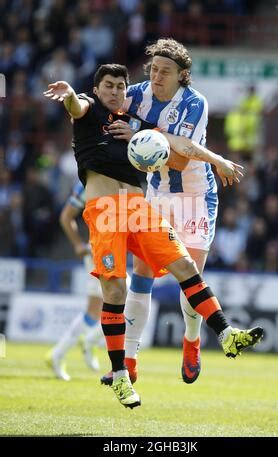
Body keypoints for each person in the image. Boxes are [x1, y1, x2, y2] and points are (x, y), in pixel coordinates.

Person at [44, 63, 263, 409]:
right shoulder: (89, 107)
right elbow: (76, 106)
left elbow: (183, 145)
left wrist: (217, 159)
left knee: (185, 265)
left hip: (138, 206)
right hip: (104, 210)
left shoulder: (137, 125)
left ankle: (225, 333)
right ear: (97, 89)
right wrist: (70, 94)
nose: (114, 91)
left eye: (119, 86)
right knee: (115, 288)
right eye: (108, 86)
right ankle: (120, 375)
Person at [101, 38, 244, 386]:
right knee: (142, 272)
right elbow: (104, 106)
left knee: (189, 278)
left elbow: (180, 158)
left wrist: (137, 133)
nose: (157, 76)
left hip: (195, 195)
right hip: (157, 194)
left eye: (165, 71)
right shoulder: (136, 94)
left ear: (182, 75)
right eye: (153, 69)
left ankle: (191, 341)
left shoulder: (195, 104)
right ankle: (130, 362)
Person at [46, 181, 103, 381]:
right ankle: (87, 342)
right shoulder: (87, 182)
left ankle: (59, 353)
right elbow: (65, 216)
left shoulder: (120, 171)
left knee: (94, 311)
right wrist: (78, 244)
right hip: (100, 251)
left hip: (112, 249)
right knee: (128, 302)